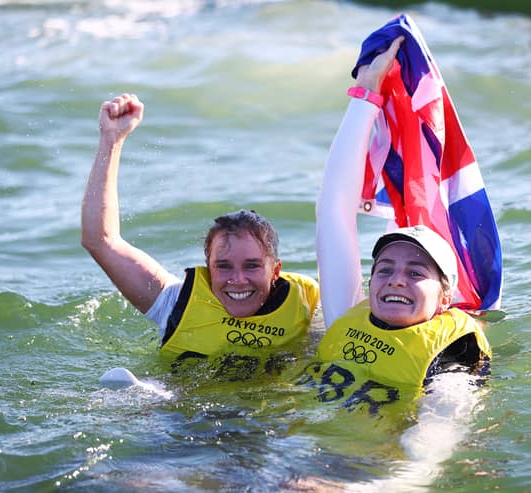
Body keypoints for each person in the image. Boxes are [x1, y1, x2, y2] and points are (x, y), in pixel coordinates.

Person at [302, 36, 492, 414]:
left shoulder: (453, 355)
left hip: (371, 468)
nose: (395, 279)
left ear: (444, 298)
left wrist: (384, 477)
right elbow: (333, 213)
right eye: (384, 269)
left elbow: (434, 439)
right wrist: (366, 92)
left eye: (416, 271)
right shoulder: (348, 315)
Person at [81, 94, 320, 379]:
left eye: (252, 265)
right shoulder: (175, 303)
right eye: (223, 266)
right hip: (186, 419)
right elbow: (101, 240)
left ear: (275, 271)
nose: (238, 280)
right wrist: (112, 140)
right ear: (208, 269)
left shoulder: (308, 311)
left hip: (269, 420)